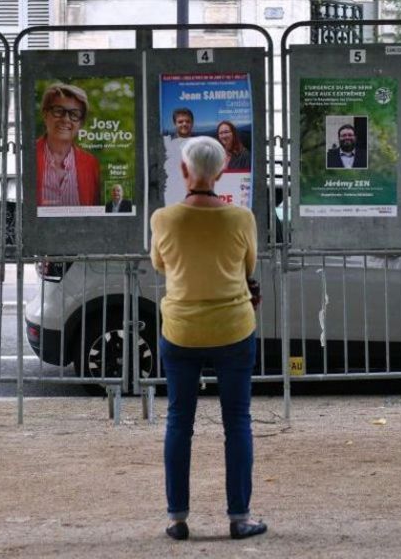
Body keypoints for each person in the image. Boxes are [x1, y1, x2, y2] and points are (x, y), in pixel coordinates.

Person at [150, 136, 267, 542]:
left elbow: (161, 264)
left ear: (184, 171)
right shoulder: (241, 219)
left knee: (179, 421)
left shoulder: (163, 219)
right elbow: (248, 264)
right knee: (237, 421)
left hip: (180, 330)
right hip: (233, 328)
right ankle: (240, 517)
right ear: (220, 172)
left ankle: (177, 517)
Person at [35, 83, 100, 207]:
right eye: (58, 111)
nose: (66, 119)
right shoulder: (26, 155)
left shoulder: (91, 164)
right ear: (45, 114)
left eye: (74, 114)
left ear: (81, 123)